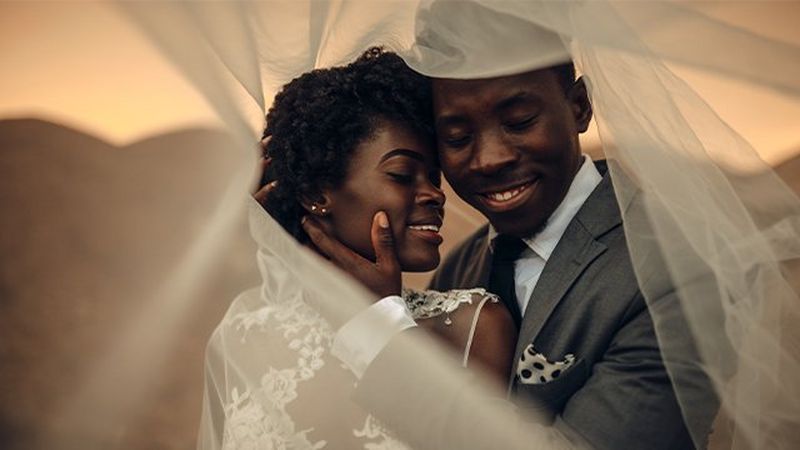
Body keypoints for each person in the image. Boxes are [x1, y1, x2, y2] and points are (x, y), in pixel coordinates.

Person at [301, 21, 718, 450]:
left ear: (578, 106)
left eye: (519, 122)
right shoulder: (463, 264)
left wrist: (380, 330)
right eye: (458, 137)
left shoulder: (676, 269)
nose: (490, 159)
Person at [199, 47, 519, 450]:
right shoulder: (242, 336)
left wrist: (380, 316)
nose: (436, 195)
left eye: (434, 178)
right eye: (402, 174)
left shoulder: (473, 325)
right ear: (317, 194)